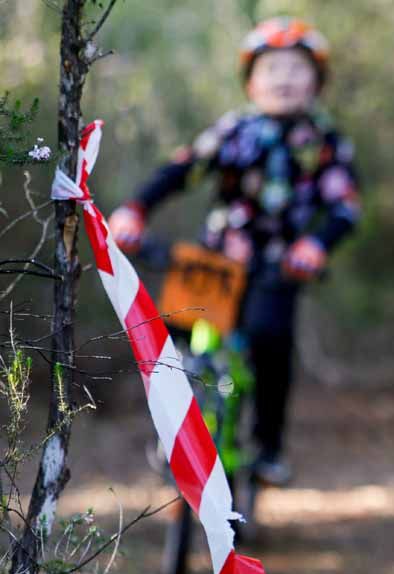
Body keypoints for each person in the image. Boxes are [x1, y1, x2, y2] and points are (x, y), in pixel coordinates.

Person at [108, 16, 360, 486]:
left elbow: (345, 208)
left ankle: (268, 448)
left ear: (317, 81)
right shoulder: (234, 129)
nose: (284, 79)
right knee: (175, 338)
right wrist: (136, 210)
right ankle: (174, 430)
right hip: (217, 262)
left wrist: (315, 245)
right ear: (251, 81)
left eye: (296, 69)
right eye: (272, 69)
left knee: (270, 341)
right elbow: (182, 170)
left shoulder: (325, 142)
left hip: (278, 266)